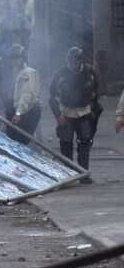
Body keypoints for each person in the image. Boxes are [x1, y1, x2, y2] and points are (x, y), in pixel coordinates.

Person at [48, 46, 101, 180]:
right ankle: (68, 174)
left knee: (85, 142)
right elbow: (52, 96)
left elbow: (95, 93)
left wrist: (93, 111)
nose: (74, 65)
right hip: (67, 112)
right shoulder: (60, 74)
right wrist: (57, 115)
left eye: (77, 63)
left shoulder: (90, 72)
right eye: (72, 63)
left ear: (81, 62)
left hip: (85, 111)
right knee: (66, 143)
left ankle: (83, 174)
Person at [5, 44, 41, 144]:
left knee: (21, 141)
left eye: (17, 58)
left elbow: (26, 94)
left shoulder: (28, 73)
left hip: (29, 111)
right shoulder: (17, 72)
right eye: (12, 58)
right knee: (12, 139)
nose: (14, 61)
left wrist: (18, 114)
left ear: (23, 58)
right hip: (20, 110)